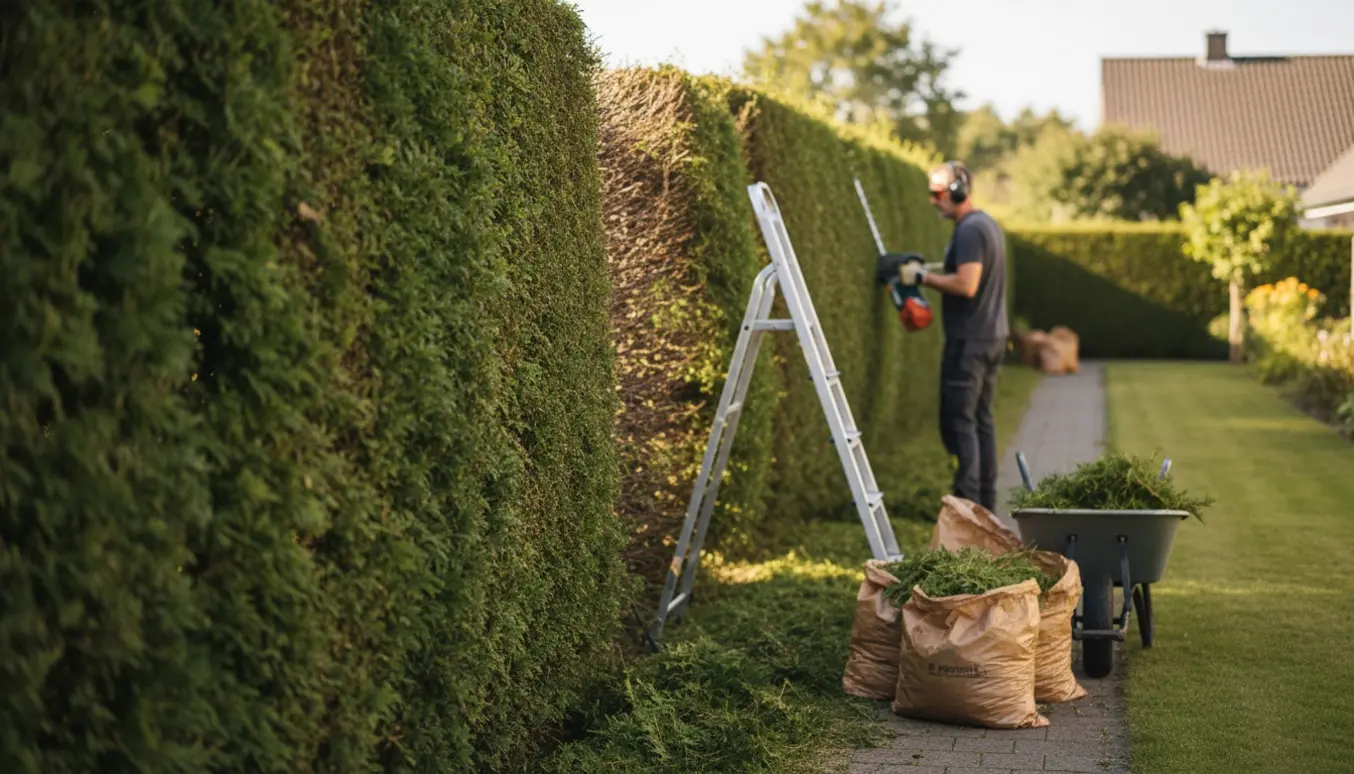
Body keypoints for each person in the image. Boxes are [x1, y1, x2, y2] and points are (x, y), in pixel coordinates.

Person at [897, 160, 1010, 512]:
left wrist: (921, 279)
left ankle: (966, 509)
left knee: (960, 423)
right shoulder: (987, 224)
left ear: (958, 191)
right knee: (982, 421)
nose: (933, 201)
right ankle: (986, 507)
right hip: (991, 337)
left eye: (937, 193)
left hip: (969, 342)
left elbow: (967, 284)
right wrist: (927, 268)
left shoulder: (969, 231)